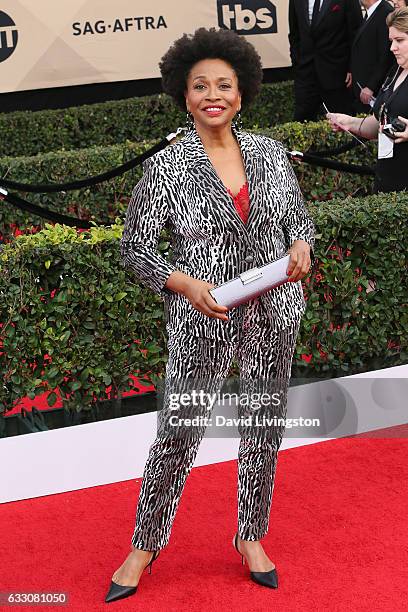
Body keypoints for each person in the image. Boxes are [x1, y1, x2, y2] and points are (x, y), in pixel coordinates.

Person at [105, 27, 315, 604]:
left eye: (224, 84)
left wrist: (301, 248)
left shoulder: (270, 154)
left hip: (274, 316)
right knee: (179, 432)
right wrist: (185, 285)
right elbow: (135, 249)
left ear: (242, 93)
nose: (213, 94)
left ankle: (251, 536)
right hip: (204, 321)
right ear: (185, 95)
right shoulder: (169, 168)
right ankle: (144, 546)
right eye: (201, 86)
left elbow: (300, 222)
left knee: (263, 429)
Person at [327, 8, 408, 193]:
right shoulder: (396, 70)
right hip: (387, 183)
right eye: (391, 41)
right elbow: (380, 122)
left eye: (400, 40)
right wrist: (350, 122)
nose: (392, 47)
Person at [288, 0, 363, 121]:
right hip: (305, 73)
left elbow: (355, 34)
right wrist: (297, 63)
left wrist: (351, 68)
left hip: (337, 73)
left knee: (342, 123)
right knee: (302, 121)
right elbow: (294, 34)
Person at [351, 0, 395, 113]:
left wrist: (371, 86)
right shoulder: (372, 12)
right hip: (362, 88)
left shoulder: (385, 12)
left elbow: (386, 56)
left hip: (372, 92)